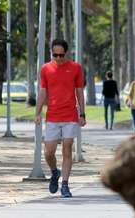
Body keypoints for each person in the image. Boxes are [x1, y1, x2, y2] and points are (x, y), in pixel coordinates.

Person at [35, 39, 86, 198]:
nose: (58, 58)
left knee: (67, 149)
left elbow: (79, 92)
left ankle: (65, 184)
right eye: (55, 55)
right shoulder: (45, 69)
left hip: (70, 116)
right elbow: (43, 91)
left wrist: (82, 114)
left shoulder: (75, 68)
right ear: (51, 53)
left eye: (61, 55)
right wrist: (37, 113)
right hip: (52, 117)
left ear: (66, 53)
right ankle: (54, 172)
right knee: (48, 152)